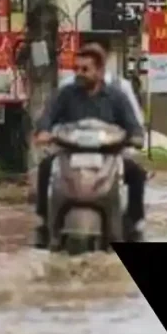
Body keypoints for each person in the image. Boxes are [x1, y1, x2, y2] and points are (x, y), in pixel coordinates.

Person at [33, 44, 146, 247]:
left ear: (100, 71)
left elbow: (133, 125)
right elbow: (48, 116)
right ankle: (43, 223)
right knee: (45, 168)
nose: (80, 74)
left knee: (137, 173)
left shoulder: (116, 96)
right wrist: (43, 131)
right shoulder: (66, 94)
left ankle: (134, 223)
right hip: (70, 152)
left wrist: (135, 137)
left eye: (85, 69)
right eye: (76, 69)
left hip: (108, 155)